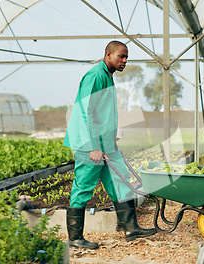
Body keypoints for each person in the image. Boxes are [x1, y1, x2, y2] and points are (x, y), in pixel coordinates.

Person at [64, 41, 156, 249]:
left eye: (126, 58)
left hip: (105, 143)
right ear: (108, 55)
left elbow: (102, 112)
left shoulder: (108, 76)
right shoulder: (95, 76)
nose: (124, 61)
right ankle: (75, 239)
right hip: (89, 145)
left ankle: (132, 229)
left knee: (121, 181)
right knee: (84, 187)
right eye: (121, 57)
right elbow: (86, 112)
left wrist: (109, 137)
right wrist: (93, 146)